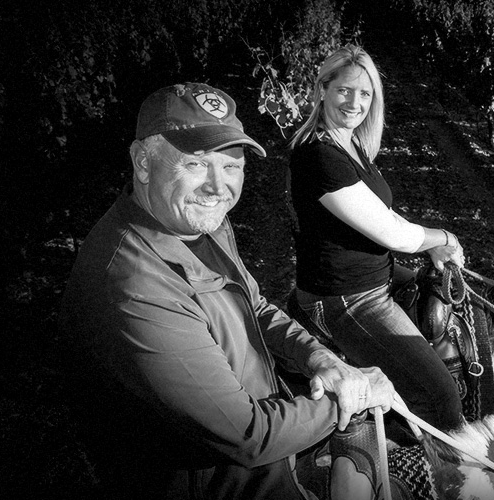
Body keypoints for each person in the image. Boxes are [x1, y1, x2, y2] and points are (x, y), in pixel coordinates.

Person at [59, 82, 395, 499]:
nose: (218, 187)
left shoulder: (204, 224)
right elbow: (246, 433)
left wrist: (320, 357)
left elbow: (254, 304)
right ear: (143, 162)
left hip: (270, 460)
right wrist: (354, 395)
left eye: (232, 165)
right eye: (197, 164)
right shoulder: (134, 286)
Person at [286, 45, 465, 433]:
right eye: (343, 90)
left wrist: (431, 244)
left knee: (448, 307)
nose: (355, 102)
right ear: (321, 90)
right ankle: (427, 475)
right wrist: (445, 236)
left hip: (375, 277)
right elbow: (392, 233)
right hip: (345, 297)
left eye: (364, 93)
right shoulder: (319, 156)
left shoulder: (350, 144)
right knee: (440, 396)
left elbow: (381, 215)